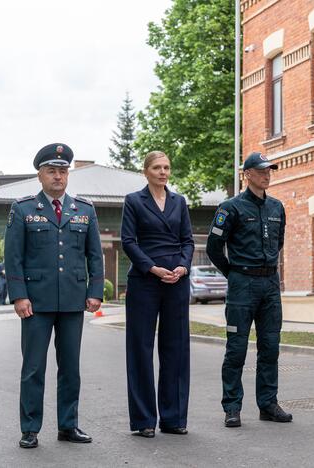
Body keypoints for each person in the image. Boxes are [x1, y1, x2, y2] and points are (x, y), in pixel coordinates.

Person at [4, 143, 104, 449]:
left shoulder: (84, 210)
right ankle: (30, 428)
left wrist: (95, 291)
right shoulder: (23, 209)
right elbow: (13, 257)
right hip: (36, 302)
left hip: (73, 300)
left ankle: (68, 426)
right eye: (52, 171)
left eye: (63, 171)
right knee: (33, 367)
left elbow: (95, 255)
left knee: (70, 368)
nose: (58, 176)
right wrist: (19, 296)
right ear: (40, 175)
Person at [207, 152, 291, 428]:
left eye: (270, 170)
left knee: (270, 347)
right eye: (261, 170)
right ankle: (232, 407)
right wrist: (233, 273)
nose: (267, 174)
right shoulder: (230, 208)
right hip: (242, 283)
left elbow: (278, 242)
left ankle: (268, 404)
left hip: (270, 284)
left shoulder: (277, 207)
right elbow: (214, 247)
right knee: (236, 349)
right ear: (247, 174)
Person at [121, 151, 194, 438]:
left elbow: (188, 240)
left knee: (176, 348)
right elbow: (128, 241)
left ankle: (174, 418)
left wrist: (182, 266)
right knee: (140, 349)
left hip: (176, 280)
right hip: (145, 281)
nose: (163, 172)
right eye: (157, 168)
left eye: (166, 167)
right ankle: (144, 420)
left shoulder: (179, 201)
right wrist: (151, 268)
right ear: (146, 171)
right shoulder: (134, 201)